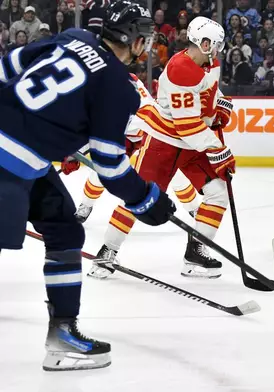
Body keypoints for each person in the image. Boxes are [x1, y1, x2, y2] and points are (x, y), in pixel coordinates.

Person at [0, 0, 175, 371]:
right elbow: (110, 164)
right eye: (144, 37)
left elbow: (7, 67)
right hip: (9, 162)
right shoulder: (119, 86)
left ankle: (62, 334)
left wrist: (46, 123)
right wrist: (145, 200)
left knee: (65, 229)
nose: (146, 45)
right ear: (132, 38)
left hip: (24, 160)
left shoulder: (72, 38)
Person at [90, 16, 235, 280]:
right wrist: (218, 150)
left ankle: (195, 254)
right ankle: (106, 251)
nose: (217, 51)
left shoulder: (207, 63)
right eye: (214, 45)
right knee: (138, 196)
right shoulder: (181, 69)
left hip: (192, 144)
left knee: (217, 192)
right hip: (165, 142)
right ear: (204, 43)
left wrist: (220, 106)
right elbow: (187, 125)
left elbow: (209, 92)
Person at [73, 75, 201, 223]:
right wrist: (75, 153)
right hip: (123, 137)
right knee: (102, 172)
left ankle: (194, 208)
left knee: (176, 176)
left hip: (148, 131)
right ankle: (86, 205)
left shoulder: (132, 91)